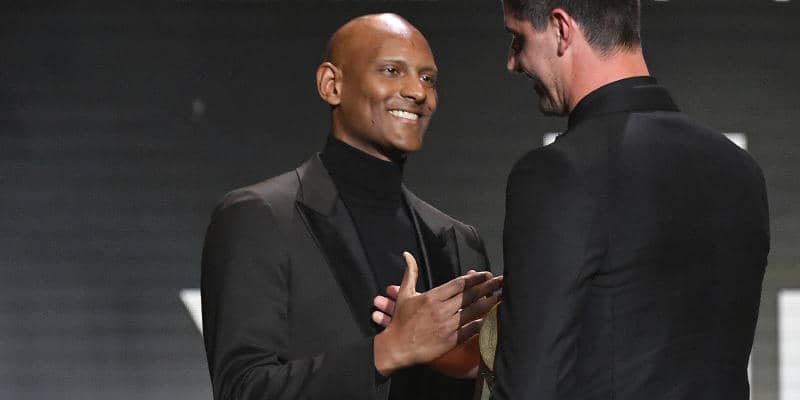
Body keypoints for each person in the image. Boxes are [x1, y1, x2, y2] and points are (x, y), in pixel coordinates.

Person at [200, 13, 502, 400]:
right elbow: (242, 389)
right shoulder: (259, 217)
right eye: (392, 70)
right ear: (332, 85)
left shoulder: (459, 241)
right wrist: (388, 350)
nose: (417, 91)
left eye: (428, 78)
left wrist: (480, 370)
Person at [492, 1, 770, 399]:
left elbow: (529, 388)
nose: (513, 62)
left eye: (518, 39)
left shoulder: (559, 172)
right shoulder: (741, 170)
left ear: (561, 29)